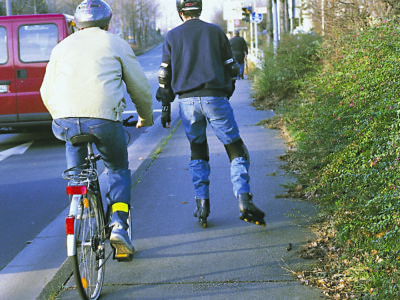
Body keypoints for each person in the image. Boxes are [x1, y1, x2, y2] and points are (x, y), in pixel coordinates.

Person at [40, 0, 153, 259]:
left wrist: (61, 115)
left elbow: (45, 90)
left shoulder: (61, 47)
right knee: (117, 169)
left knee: (78, 174)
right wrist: (145, 118)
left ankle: (80, 205)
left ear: (77, 25)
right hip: (104, 120)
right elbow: (139, 87)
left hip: (66, 119)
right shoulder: (115, 43)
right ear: (107, 23)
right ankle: (119, 225)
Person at [156, 0, 265, 228]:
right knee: (235, 148)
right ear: (200, 9)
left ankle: (202, 204)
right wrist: (227, 90)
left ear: (180, 12)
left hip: (186, 102)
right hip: (215, 96)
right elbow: (231, 67)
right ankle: (244, 198)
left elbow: (164, 76)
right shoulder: (215, 32)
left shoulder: (172, 36)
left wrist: (165, 109)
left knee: (198, 151)